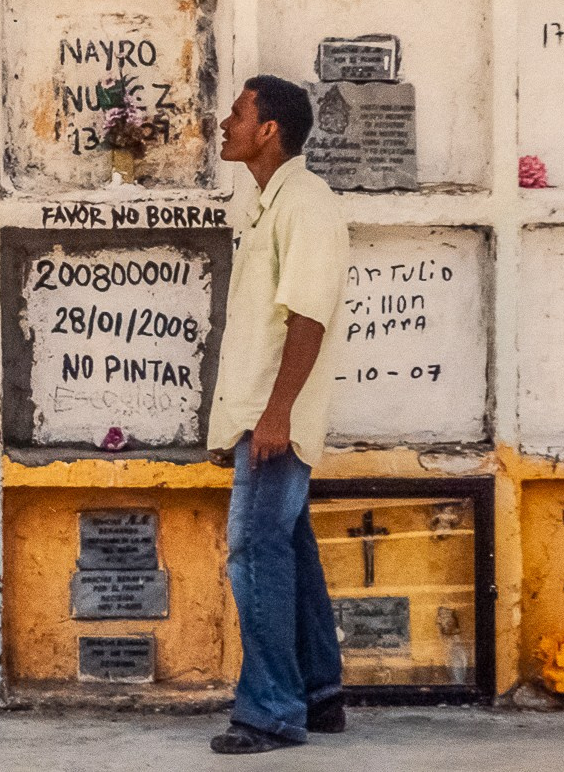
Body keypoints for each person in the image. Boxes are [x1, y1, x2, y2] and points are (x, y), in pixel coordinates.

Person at [206, 76, 350, 754]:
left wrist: (276, 414)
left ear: (269, 130)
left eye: (237, 113)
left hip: (277, 417)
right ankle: (319, 692)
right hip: (261, 413)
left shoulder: (308, 203)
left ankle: (269, 709)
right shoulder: (271, 203)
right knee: (289, 548)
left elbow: (308, 316)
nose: (224, 122)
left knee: (254, 552)